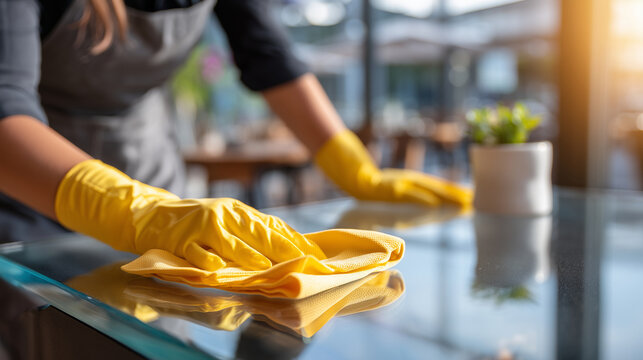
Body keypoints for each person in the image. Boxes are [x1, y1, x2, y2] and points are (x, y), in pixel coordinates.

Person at [0, 0, 471, 269]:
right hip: (29, 189)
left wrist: (354, 167)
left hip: (148, 164)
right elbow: (5, 104)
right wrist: (142, 213)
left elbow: (270, 59)